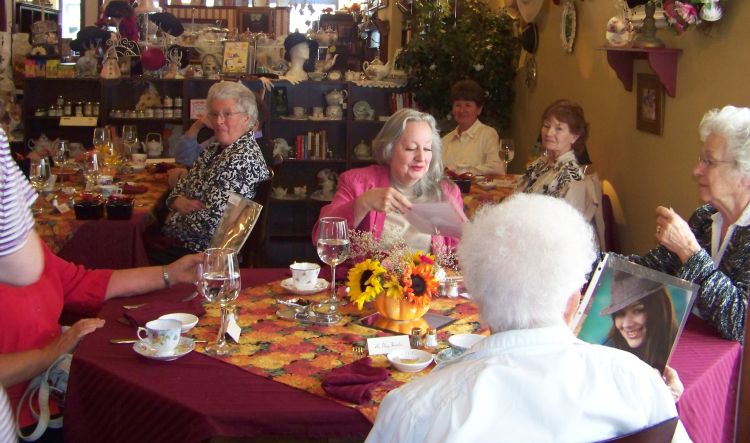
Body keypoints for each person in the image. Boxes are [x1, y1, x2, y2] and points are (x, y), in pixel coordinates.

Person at [367, 194, 690, 443]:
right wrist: (660, 396)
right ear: (572, 301)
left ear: (478, 301)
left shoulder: (414, 411)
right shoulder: (638, 383)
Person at [620, 105, 750, 342]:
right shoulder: (705, 218)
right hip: (690, 346)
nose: (696, 170)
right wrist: (585, 258)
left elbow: (740, 324)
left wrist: (690, 253)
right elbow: (648, 271)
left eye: (709, 161)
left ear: (743, 174)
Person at [313, 108, 464, 252]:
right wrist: (363, 203)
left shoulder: (446, 192)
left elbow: (459, 254)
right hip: (368, 278)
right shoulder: (357, 182)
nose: (421, 158)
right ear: (389, 150)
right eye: (411, 148)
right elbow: (322, 238)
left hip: (428, 278)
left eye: (427, 149)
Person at [158, 81, 271, 260]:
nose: (219, 121)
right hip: (184, 245)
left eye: (227, 114)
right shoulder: (217, 147)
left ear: (247, 119)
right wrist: (175, 200)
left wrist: (172, 214)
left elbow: (212, 226)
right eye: (214, 114)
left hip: (204, 256)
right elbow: (185, 185)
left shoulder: (241, 159)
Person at [516, 99, 589, 213]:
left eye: (559, 128)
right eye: (546, 125)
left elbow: (559, 224)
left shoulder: (571, 176)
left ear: (574, 136)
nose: (549, 133)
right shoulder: (541, 163)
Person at [601, 273, 678, 372]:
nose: (627, 324)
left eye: (637, 311)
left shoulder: (676, 351)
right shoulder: (608, 350)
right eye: (620, 314)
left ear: (659, 309)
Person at [441, 79, 505, 175]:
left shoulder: (488, 134)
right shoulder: (445, 140)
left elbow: (497, 168)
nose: (462, 110)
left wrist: (464, 172)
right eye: (458, 105)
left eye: (468, 105)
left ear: (479, 109)